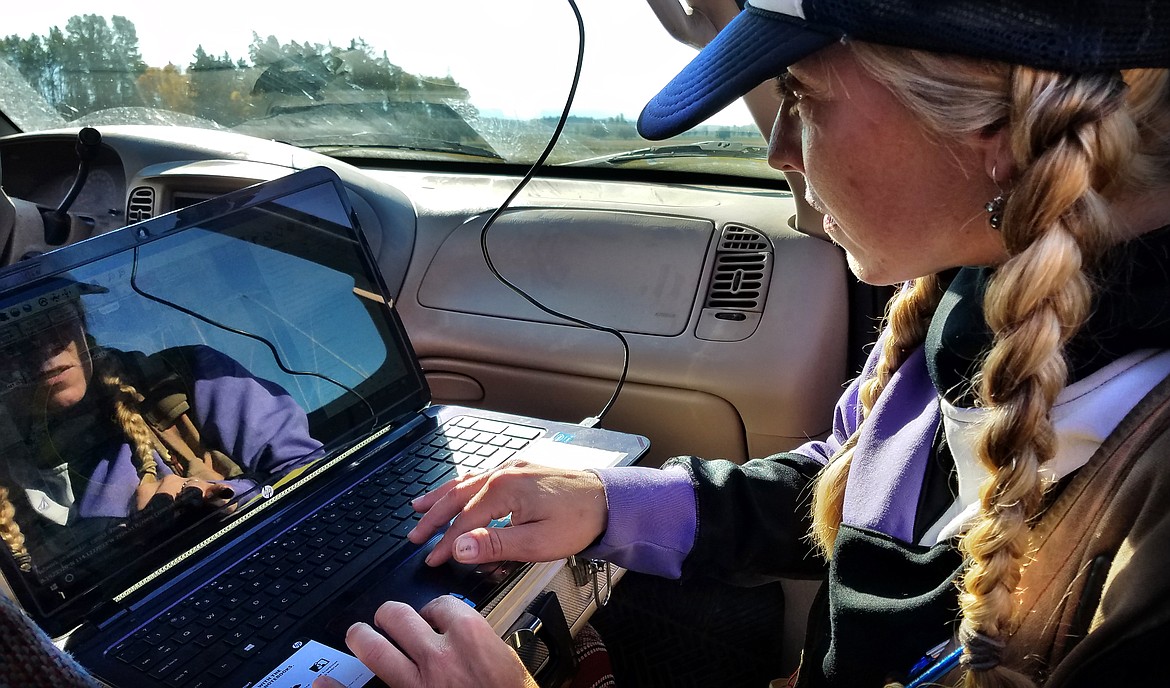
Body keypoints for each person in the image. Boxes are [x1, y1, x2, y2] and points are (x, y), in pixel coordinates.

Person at [326, 0, 1170, 686]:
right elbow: (852, 483)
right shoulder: (968, 289)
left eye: (801, 95)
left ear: (998, 130)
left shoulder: (1149, 541)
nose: (777, 152)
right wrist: (615, 503)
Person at [0, 279, 323, 572]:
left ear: (80, 320)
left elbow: (316, 477)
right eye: (12, 333)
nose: (45, 347)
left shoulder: (189, 379)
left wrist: (216, 500)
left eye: (53, 318)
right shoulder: (11, 473)